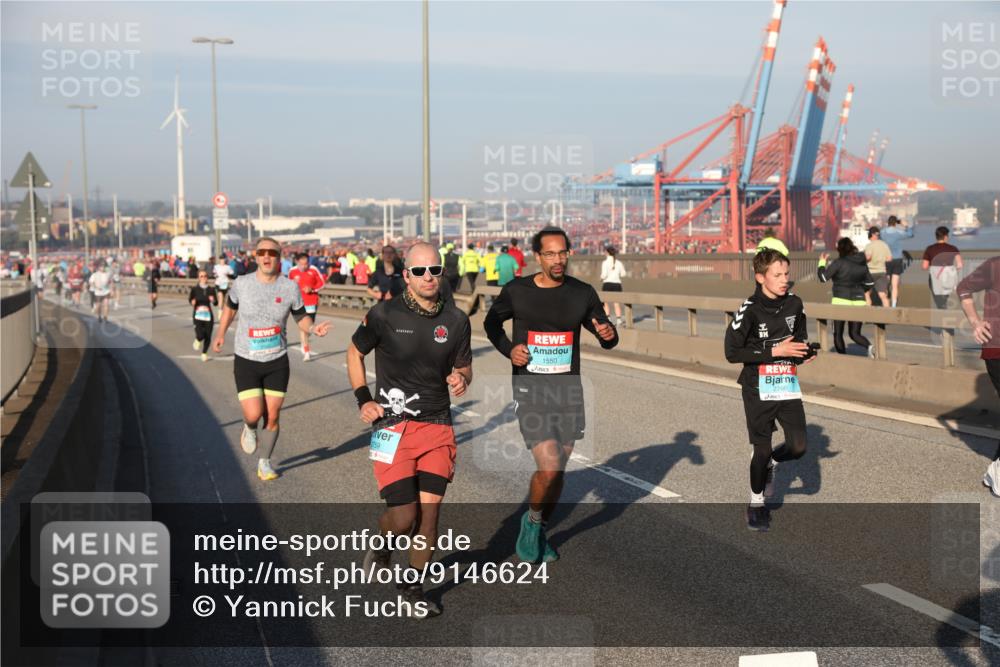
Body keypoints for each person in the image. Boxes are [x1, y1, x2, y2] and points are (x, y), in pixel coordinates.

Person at [348, 242, 472, 617]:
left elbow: (465, 365)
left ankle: (413, 588)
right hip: (392, 427)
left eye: (435, 270)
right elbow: (355, 353)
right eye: (420, 271)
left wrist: (462, 377)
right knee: (404, 517)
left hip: (437, 425)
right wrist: (363, 399)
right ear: (406, 276)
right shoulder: (384, 314)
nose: (428, 277)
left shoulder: (456, 320)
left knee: (430, 516)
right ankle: (383, 542)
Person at [484, 227, 618, 563]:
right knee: (549, 464)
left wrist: (607, 333)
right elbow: (490, 323)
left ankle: (539, 524)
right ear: (538, 257)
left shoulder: (582, 293)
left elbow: (604, 333)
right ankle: (530, 524)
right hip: (531, 387)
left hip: (569, 389)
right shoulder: (517, 291)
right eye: (550, 254)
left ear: (569, 254)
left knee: (559, 469)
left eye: (563, 253)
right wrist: (509, 349)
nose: (558, 260)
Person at [213, 237, 332, 481]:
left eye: (272, 253)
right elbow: (230, 308)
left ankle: (265, 462)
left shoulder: (289, 287)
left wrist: (313, 328)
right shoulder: (242, 284)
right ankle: (249, 427)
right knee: (254, 414)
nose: (267, 257)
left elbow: (301, 317)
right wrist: (221, 333)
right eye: (262, 252)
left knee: (274, 415)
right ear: (256, 256)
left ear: (280, 258)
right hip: (247, 358)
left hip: (277, 359)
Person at [724, 248, 817, 531]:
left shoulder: (795, 304)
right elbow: (732, 352)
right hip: (757, 386)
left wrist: (804, 352)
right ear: (760, 277)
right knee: (760, 449)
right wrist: (775, 349)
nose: (784, 280)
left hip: (786, 382)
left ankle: (773, 461)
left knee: (799, 447)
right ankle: (756, 504)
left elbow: (799, 337)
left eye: (787, 274)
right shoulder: (749, 308)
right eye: (777, 275)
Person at [956, 256, 1000, 497]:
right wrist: (975, 322)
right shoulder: (995, 266)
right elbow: (963, 288)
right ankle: (998, 472)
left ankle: (996, 466)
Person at [818, 238, 874, 357]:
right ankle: (870, 347)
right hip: (859, 302)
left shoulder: (839, 263)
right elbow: (870, 283)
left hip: (840, 301)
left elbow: (823, 278)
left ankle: (843, 358)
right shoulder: (862, 264)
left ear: (839, 249)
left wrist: (822, 262)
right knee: (855, 334)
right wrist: (859, 290)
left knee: (837, 333)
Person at [288, 251, 327, 362]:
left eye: (306, 264)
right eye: (302, 264)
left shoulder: (313, 270)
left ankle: (303, 342)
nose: (304, 266)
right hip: (299, 303)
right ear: (297, 262)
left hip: (311, 302)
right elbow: (288, 286)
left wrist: (312, 289)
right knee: (303, 327)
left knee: (309, 329)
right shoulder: (292, 272)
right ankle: (306, 351)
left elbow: (322, 284)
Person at [922, 226, 963, 310]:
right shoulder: (952, 248)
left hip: (935, 278)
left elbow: (924, 266)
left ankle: (942, 314)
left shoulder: (929, 249)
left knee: (939, 301)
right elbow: (960, 265)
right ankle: (943, 313)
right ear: (945, 236)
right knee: (943, 300)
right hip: (948, 277)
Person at [881, 215, 914, 307]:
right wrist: (906, 226)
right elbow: (910, 234)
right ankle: (894, 305)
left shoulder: (882, 232)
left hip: (886, 260)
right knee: (895, 285)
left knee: (886, 284)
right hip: (897, 260)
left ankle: (885, 302)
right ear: (896, 223)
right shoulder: (899, 232)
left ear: (888, 223)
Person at [189, 270, 218, 362]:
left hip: (208, 316)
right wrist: (192, 302)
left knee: (208, 336)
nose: (203, 278)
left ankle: (204, 353)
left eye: (205, 276)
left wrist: (213, 300)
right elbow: (190, 299)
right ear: (198, 278)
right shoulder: (194, 289)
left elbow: (216, 303)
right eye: (201, 276)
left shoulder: (211, 290)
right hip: (198, 315)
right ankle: (198, 339)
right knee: (200, 334)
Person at [864, 226, 892, 308]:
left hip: (870, 273)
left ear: (871, 235)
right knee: (883, 295)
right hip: (882, 272)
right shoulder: (884, 245)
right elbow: (889, 258)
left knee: (867, 293)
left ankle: (867, 315)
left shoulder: (869, 245)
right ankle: (888, 315)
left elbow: (868, 257)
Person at [600, 245, 627, 327]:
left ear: (607, 253)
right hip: (617, 284)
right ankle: (619, 320)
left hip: (607, 284)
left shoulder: (605, 263)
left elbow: (604, 275)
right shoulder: (619, 263)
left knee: (605, 303)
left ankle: (608, 319)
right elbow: (623, 274)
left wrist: (601, 278)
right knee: (616, 303)